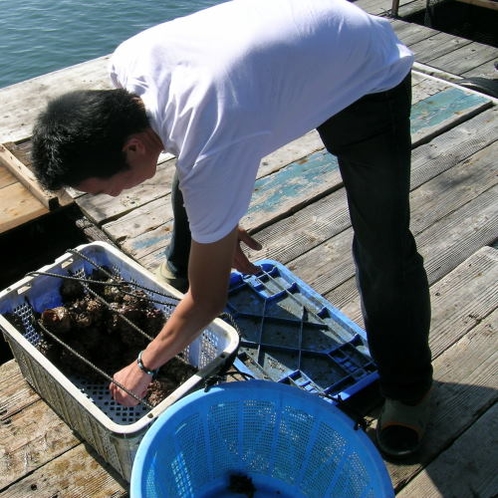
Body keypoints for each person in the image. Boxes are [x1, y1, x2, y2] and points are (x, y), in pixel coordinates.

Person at [31, 0, 433, 458]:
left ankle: (411, 387)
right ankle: (183, 268)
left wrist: (143, 366)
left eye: (106, 187)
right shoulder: (128, 65)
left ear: (134, 146)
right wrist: (222, 222)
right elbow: (206, 142)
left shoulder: (211, 133)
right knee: (200, 181)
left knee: (384, 242)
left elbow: (211, 299)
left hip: (367, 73)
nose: (115, 197)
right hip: (295, 55)